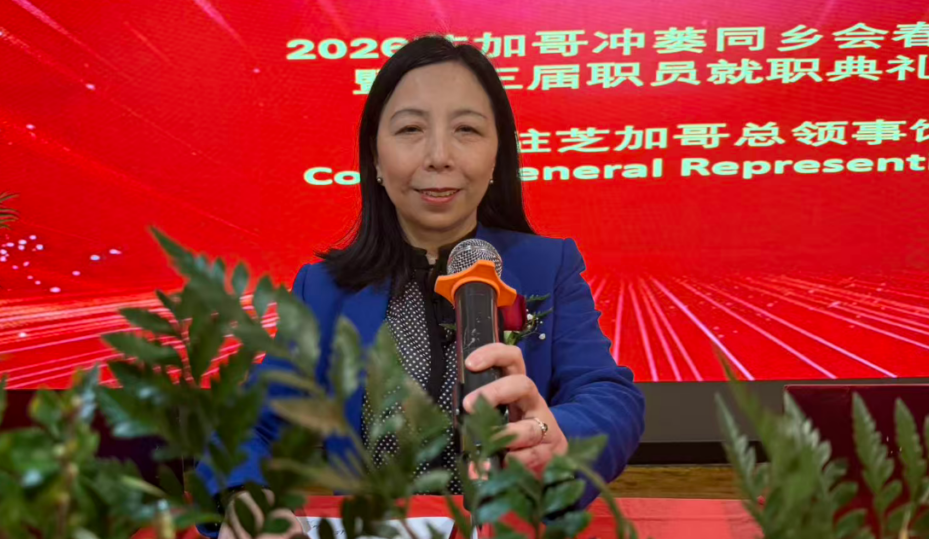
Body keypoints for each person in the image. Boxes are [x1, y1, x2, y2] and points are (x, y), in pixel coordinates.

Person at [198, 35, 645, 539]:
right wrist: (248, 500)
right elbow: (252, 427)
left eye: (467, 129)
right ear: (374, 158)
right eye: (411, 129)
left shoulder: (547, 266)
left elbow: (609, 396)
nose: (439, 156)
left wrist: (559, 438)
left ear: (497, 154)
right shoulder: (323, 291)